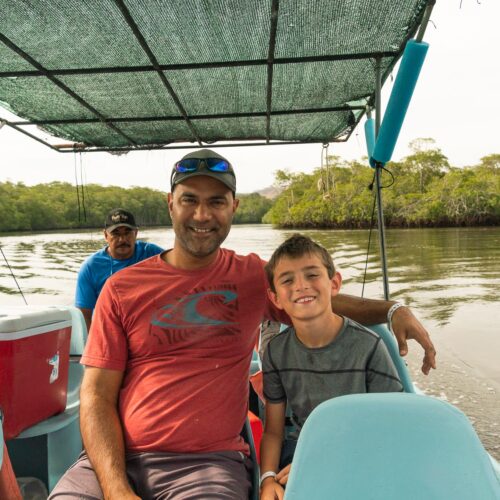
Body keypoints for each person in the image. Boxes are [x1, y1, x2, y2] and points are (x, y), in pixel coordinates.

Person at [50, 149, 435, 500]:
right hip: (112, 463)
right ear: (170, 205)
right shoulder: (121, 288)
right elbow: (97, 396)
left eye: (216, 202)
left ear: (233, 207)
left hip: (206, 466)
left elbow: (315, 298)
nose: (202, 215)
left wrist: (392, 310)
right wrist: (116, 488)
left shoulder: (251, 276)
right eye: (190, 200)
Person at [259, 235, 403, 500]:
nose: (301, 286)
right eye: (287, 280)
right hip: (303, 449)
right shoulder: (275, 352)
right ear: (275, 297)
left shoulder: (368, 346)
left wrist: (327, 462)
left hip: (363, 450)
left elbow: (389, 428)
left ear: (334, 283)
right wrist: (267, 478)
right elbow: (273, 431)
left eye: (312, 275)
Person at [74, 208, 163, 331]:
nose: (122, 239)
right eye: (116, 234)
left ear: (136, 233)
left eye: (127, 233)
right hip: (110, 329)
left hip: (147, 326)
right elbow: (84, 315)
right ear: (106, 235)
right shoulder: (90, 267)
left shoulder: (153, 254)